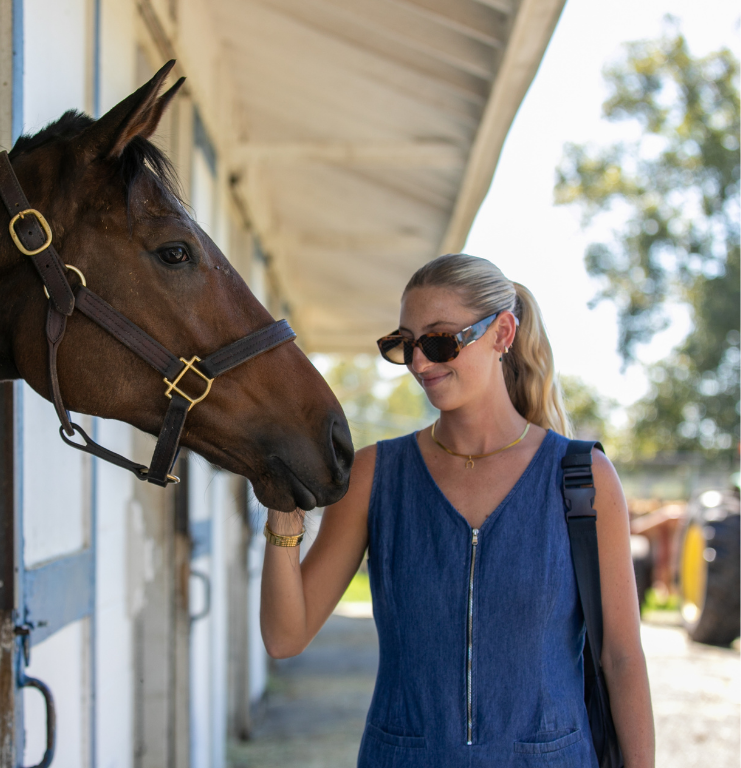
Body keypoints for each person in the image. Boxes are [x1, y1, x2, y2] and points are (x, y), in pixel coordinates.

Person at [260, 254, 655, 767]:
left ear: (502, 334)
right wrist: (282, 519)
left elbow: (621, 658)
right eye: (406, 344)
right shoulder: (376, 475)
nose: (421, 362)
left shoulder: (582, 478)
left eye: (442, 340)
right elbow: (286, 636)